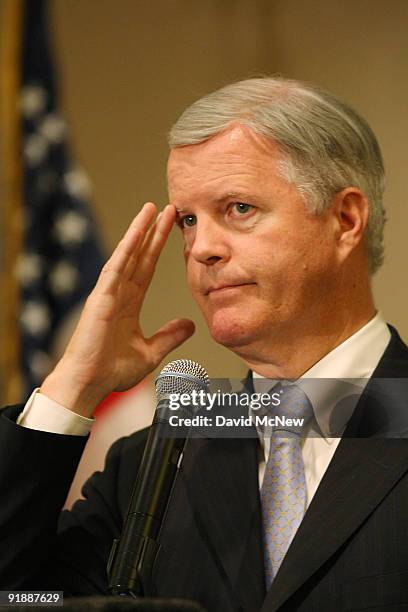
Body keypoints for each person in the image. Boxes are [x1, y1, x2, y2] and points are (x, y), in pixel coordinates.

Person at [1, 77, 408, 612]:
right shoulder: (153, 462)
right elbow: (22, 596)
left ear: (345, 219)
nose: (202, 249)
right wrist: (69, 389)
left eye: (239, 208)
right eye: (189, 220)